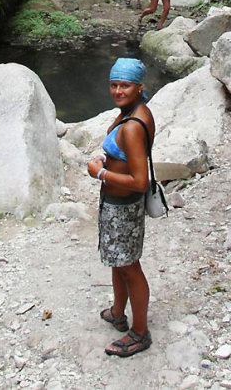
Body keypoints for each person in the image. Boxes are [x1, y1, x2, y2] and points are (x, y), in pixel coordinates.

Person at [87, 58, 155, 358]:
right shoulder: (135, 111)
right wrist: (106, 159)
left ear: (140, 87)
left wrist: (100, 173)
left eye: (125, 86)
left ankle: (140, 332)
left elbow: (140, 181)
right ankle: (118, 312)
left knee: (130, 266)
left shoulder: (132, 126)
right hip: (117, 203)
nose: (117, 91)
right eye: (113, 85)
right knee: (119, 261)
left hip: (123, 206)